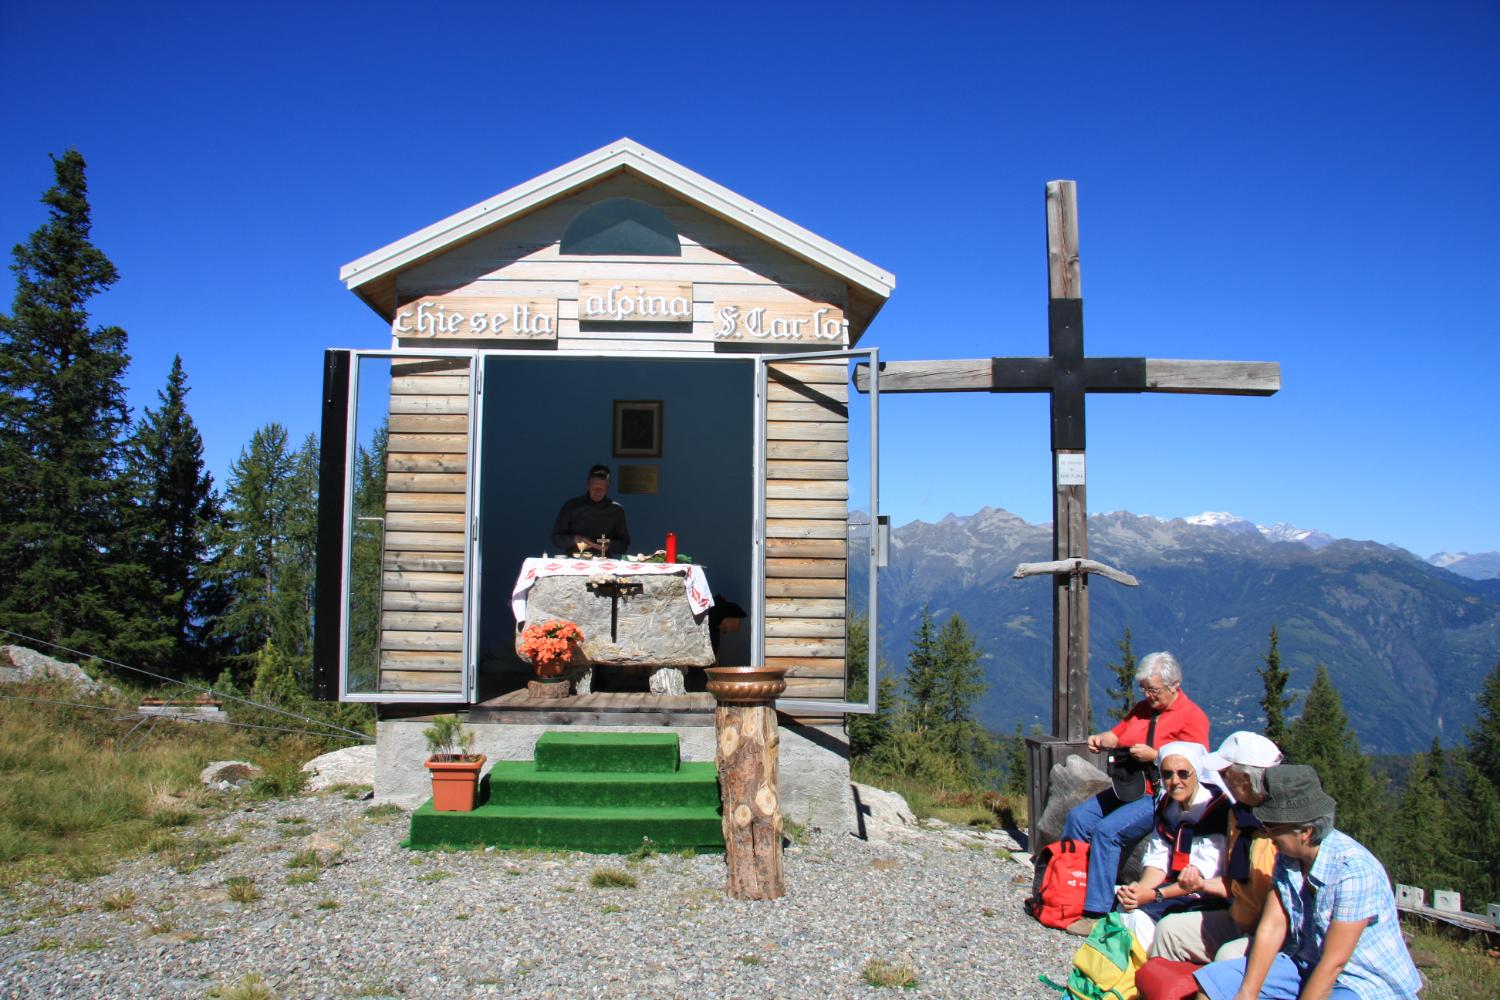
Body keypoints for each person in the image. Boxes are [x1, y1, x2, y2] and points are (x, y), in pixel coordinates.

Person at [1193, 765, 1423, 1000]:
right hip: (1303, 963)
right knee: (1214, 985)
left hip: (1360, 979)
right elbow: (1273, 926)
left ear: (1306, 831)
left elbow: (1334, 963)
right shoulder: (1289, 857)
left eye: (1272, 826)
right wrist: (1247, 993)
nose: (1266, 833)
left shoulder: (1353, 871)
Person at [1060, 650, 1211, 936]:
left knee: (1107, 831)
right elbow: (1119, 734)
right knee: (1078, 818)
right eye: (1144, 689)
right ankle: (1070, 890)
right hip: (1127, 786)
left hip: (1159, 794)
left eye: (1153, 690)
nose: (1148, 695)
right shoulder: (1142, 710)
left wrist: (1155, 755)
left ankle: (1096, 912)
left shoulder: (1192, 718)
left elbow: (1197, 765)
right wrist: (1101, 740)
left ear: (1174, 685)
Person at [1151, 731, 1283, 964]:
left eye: (1225, 774)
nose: (1220, 779)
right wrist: (1201, 884)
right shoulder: (1237, 816)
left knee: (1228, 956)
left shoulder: (1279, 829)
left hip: (1273, 931)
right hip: (1238, 917)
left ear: (1246, 779)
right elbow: (1234, 884)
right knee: (1168, 930)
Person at [1116, 741, 1233, 954]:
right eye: (1167, 774)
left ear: (1197, 773)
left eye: (1183, 774)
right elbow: (1158, 857)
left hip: (1206, 895)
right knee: (1127, 906)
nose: (1174, 781)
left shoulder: (1216, 811)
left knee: (1140, 918)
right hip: (1174, 889)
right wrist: (1142, 889)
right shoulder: (1167, 806)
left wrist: (1154, 896)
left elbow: (1200, 876)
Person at [550, 464, 630, 556]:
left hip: (603, 560)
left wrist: (608, 545)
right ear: (588, 485)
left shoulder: (616, 510)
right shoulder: (572, 506)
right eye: (595, 488)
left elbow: (624, 544)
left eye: (602, 488)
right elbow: (556, 538)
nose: (598, 492)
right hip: (575, 559)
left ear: (608, 487)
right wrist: (575, 539)